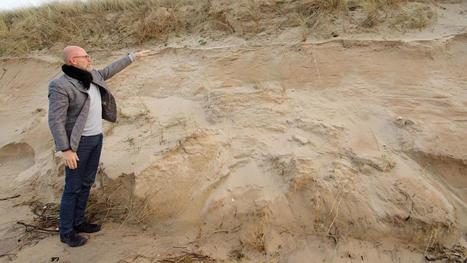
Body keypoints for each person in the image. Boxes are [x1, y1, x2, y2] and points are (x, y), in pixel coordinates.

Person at [48, 46, 150, 247]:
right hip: (78, 144)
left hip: (96, 138)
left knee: (87, 183)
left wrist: (131, 57)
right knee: (73, 187)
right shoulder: (60, 85)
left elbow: (108, 71)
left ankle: (79, 222)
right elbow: (55, 120)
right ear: (73, 61)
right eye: (85, 56)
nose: (89, 58)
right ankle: (67, 232)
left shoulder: (92, 75)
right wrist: (66, 150)